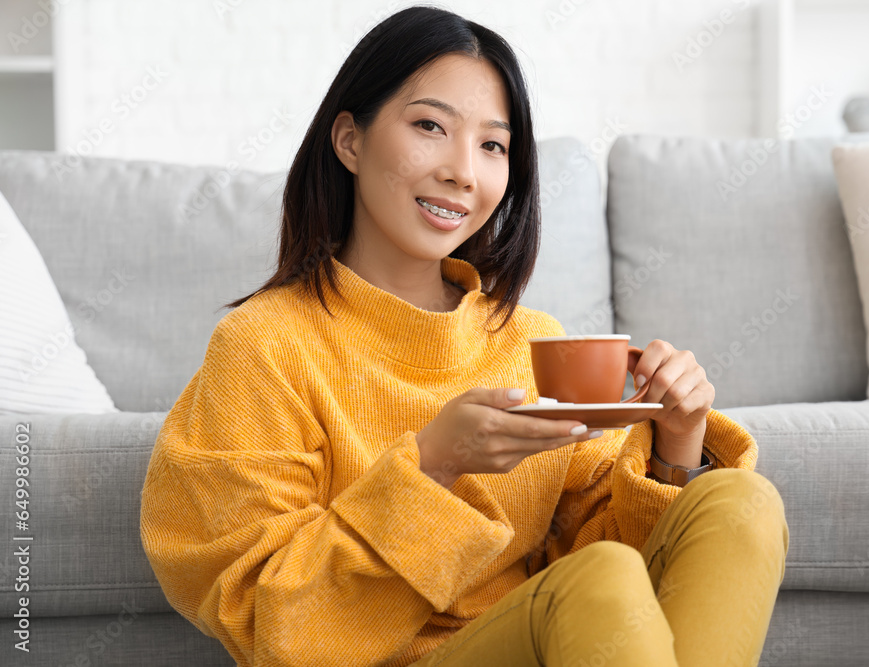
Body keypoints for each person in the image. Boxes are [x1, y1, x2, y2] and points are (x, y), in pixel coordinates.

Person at [139, 5, 789, 666]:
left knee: (741, 501)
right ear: (350, 140)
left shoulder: (531, 342)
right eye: (430, 126)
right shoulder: (263, 347)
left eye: (492, 146)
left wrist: (677, 444)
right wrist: (434, 465)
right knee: (600, 579)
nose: (463, 171)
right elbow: (269, 624)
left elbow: (622, 570)